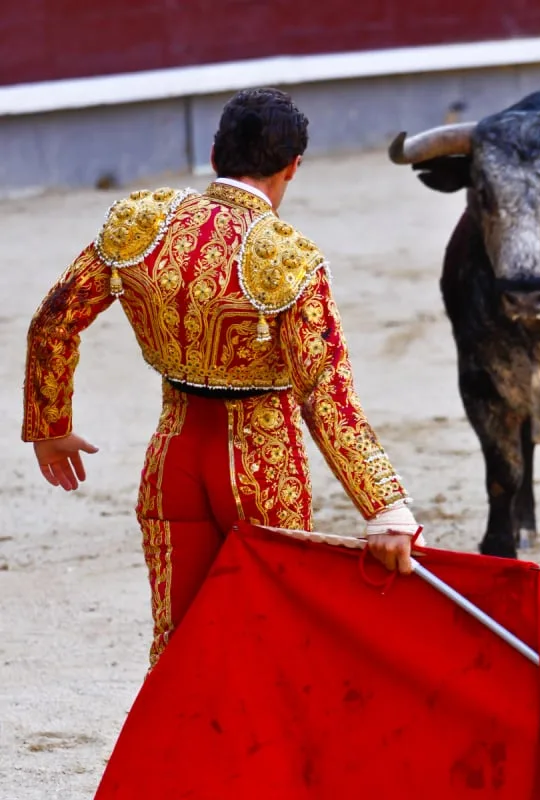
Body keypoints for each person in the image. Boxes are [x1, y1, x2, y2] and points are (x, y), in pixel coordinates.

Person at [22, 88, 422, 667]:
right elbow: (324, 395)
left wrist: (50, 425)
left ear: (214, 155)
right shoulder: (288, 257)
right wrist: (385, 507)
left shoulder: (143, 222)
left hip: (173, 457)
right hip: (263, 462)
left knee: (177, 646)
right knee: (275, 643)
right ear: (294, 167)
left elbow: (53, 320)